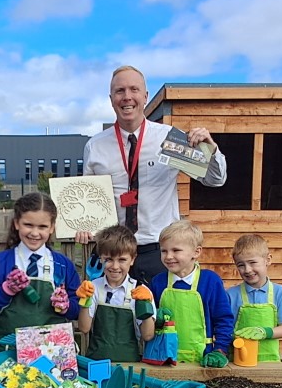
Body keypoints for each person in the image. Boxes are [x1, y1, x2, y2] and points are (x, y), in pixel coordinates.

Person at [78, 66, 227, 283]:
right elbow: (88, 202)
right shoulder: (95, 146)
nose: (127, 97)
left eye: (134, 89)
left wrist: (209, 149)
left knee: (163, 316)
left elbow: (215, 179)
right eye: (120, 91)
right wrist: (82, 225)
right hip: (114, 256)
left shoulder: (169, 139)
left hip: (159, 253)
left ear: (145, 96)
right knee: (112, 316)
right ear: (111, 99)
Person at [0, 192, 80, 355]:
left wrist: (66, 307)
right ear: (17, 224)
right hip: (7, 351)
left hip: (52, 353)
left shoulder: (62, 265)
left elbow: (77, 310)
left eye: (42, 227)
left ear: (52, 227)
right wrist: (5, 290)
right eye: (28, 225)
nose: (35, 233)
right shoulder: (3, 261)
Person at [150, 220, 233, 367]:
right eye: (164, 251)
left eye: (176, 250)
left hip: (203, 362)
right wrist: (156, 318)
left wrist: (219, 350)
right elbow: (148, 322)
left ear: (196, 252)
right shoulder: (158, 282)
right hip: (165, 361)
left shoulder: (210, 281)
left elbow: (223, 320)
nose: (168, 256)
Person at [76, 225, 156, 362]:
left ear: (132, 259)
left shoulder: (140, 291)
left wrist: (146, 305)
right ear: (101, 258)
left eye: (122, 260)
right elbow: (84, 328)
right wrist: (85, 301)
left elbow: (147, 335)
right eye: (108, 259)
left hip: (130, 365)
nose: (115, 266)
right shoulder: (94, 287)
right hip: (96, 363)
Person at [226, 234, 282, 362]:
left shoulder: (280, 292)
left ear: (268, 260)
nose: (247, 270)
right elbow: (225, 329)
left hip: (269, 363)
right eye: (241, 265)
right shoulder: (231, 294)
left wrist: (264, 332)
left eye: (252, 262)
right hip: (239, 361)